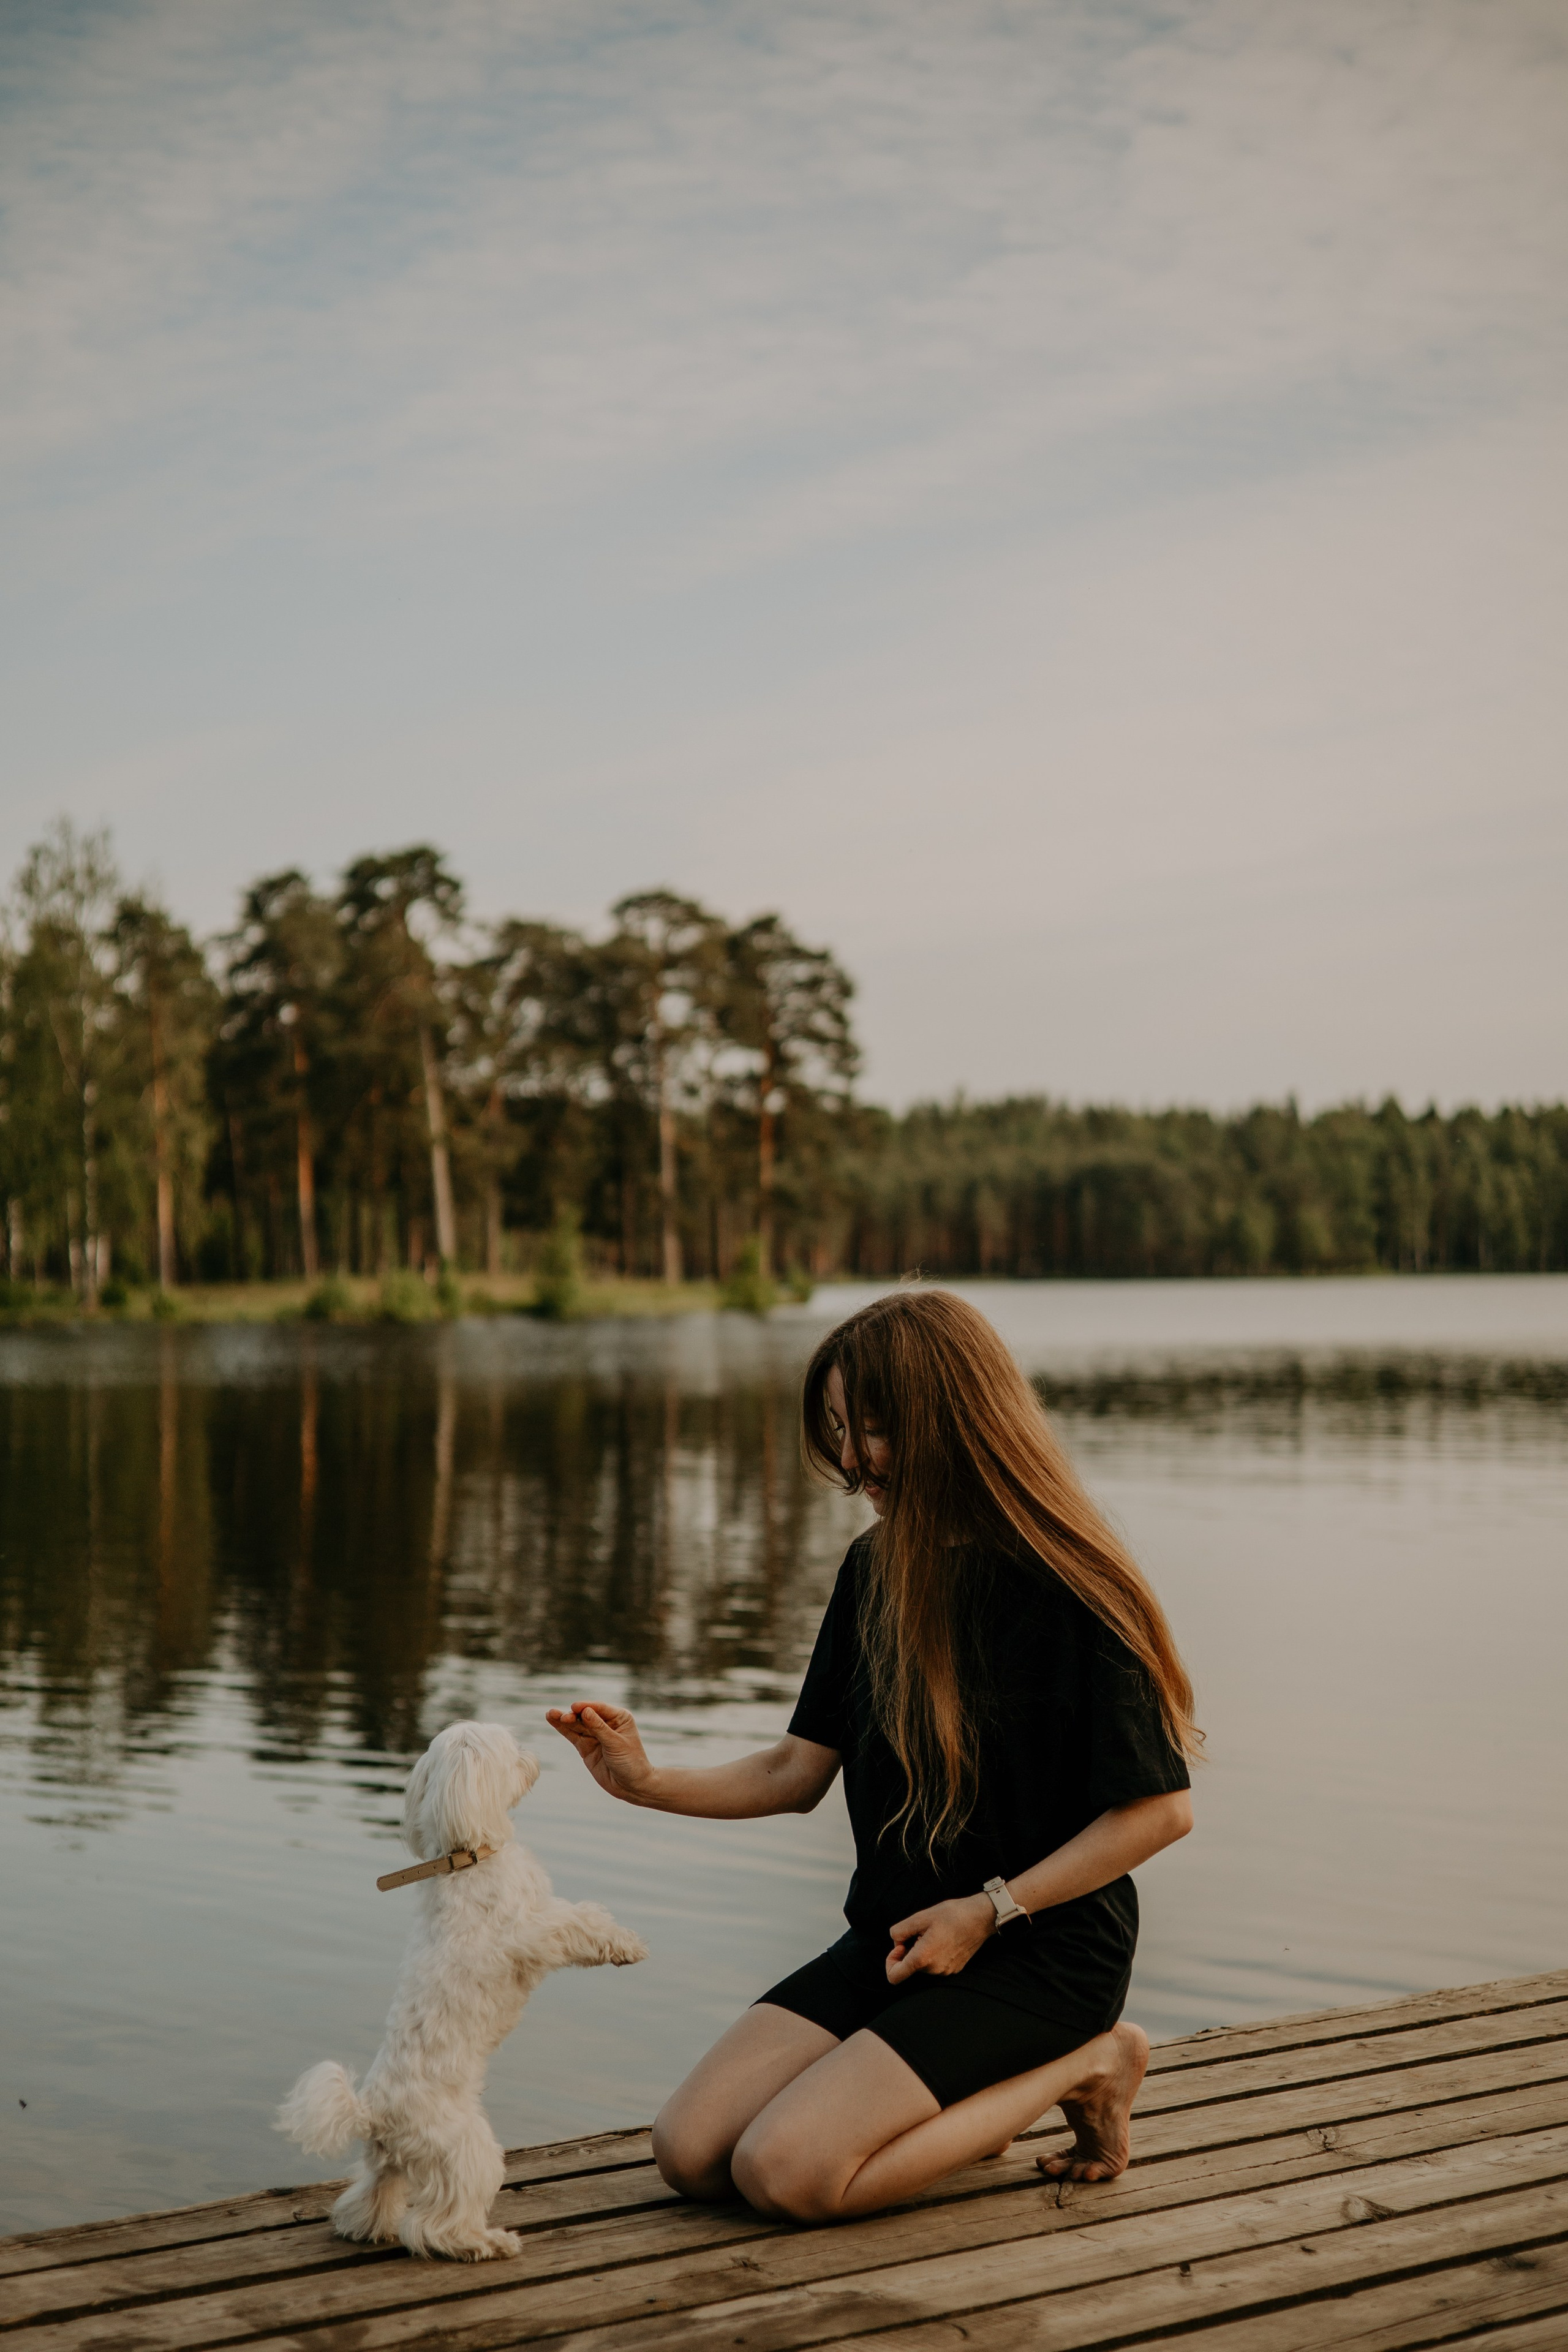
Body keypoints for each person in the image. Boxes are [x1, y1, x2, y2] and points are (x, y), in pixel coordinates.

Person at [548, 1289, 1198, 2223]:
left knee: (788, 2172)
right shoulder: (873, 1571)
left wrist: (988, 1911)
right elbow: (794, 1773)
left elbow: (1159, 1812)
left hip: (1040, 1952)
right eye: (844, 1431)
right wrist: (645, 1783)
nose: (852, 1462)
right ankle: (970, 2088)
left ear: (957, 1419)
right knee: (690, 2153)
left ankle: (1092, 2063)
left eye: (877, 1431)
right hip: (895, 1945)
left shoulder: (1076, 1587)